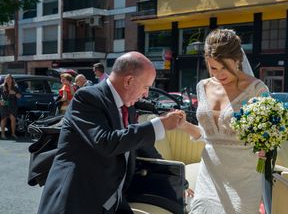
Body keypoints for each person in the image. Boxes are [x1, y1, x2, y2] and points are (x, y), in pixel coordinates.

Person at [37, 51, 184, 214]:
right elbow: (105, 142)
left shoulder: (128, 106)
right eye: (146, 87)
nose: (146, 94)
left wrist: (177, 180)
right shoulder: (87, 98)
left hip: (112, 201)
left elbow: (140, 145)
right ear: (128, 81)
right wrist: (159, 125)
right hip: (77, 201)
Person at [178, 29, 269, 214]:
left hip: (244, 179)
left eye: (224, 67)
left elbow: (267, 138)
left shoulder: (257, 90)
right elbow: (207, 136)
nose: (219, 74)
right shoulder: (202, 87)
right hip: (209, 176)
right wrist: (184, 126)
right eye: (213, 68)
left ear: (237, 60)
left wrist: (265, 146)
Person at [0, 74, 21, 139]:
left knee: (13, 119)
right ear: (5, 80)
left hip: (13, 105)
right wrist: (0, 101)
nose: (8, 80)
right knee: (4, 119)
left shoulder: (15, 87)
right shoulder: (1, 87)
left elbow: (19, 96)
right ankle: (3, 134)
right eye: (7, 78)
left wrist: (14, 93)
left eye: (10, 78)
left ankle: (13, 134)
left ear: (12, 80)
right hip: (4, 105)